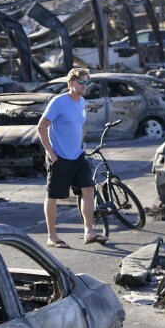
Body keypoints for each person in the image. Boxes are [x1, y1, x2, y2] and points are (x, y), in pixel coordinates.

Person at [37, 67, 108, 249]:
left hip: (77, 155)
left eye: (86, 82)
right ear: (71, 83)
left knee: (88, 190)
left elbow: (77, 127)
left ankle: (89, 231)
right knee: (53, 195)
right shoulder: (59, 102)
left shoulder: (82, 102)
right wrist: (51, 154)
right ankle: (52, 236)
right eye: (81, 82)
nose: (84, 85)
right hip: (59, 157)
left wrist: (81, 145)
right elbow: (41, 127)